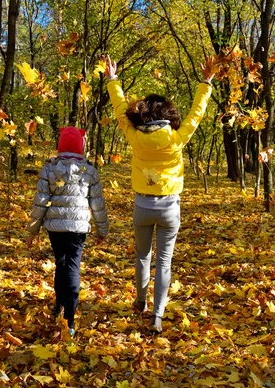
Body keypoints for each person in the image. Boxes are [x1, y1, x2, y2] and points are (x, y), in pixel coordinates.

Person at [103, 54, 214, 333]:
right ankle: (157, 316)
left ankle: (140, 301)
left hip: (142, 207)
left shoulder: (135, 136)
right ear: (168, 115)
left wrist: (112, 79)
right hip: (169, 209)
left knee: (142, 257)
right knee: (164, 262)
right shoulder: (177, 138)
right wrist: (206, 82)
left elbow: (119, 109)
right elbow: (197, 113)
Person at [26, 126, 108, 337]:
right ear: (80, 147)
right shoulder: (89, 171)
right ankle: (69, 320)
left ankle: (59, 306)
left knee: (61, 264)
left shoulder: (50, 169)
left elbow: (41, 202)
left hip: (55, 227)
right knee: (72, 267)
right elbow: (97, 204)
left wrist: (33, 231)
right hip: (78, 228)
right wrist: (102, 231)